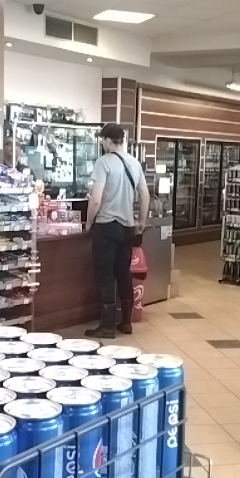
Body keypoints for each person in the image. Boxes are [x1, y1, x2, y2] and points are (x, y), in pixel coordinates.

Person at [84, 123, 150, 339]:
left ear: (107, 140)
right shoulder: (134, 163)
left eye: (102, 140)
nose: (102, 143)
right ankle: (126, 322)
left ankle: (107, 326)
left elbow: (95, 199)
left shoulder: (103, 162)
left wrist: (88, 223)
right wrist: (141, 221)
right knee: (123, 273)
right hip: (128, 227)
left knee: (105, 275)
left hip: (107, 226)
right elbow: (145, 195)